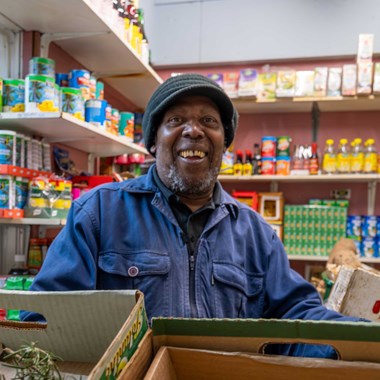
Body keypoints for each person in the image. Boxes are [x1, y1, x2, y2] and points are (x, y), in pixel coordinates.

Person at [23, 73, 367, 357]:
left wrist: (365, 340)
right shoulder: (99, 212)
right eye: (176, 120)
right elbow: (46, 317)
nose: (194, 130)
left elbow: (299, 319)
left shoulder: (255, 234)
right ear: (154, 141)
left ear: (223, 143)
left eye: (208, 121)